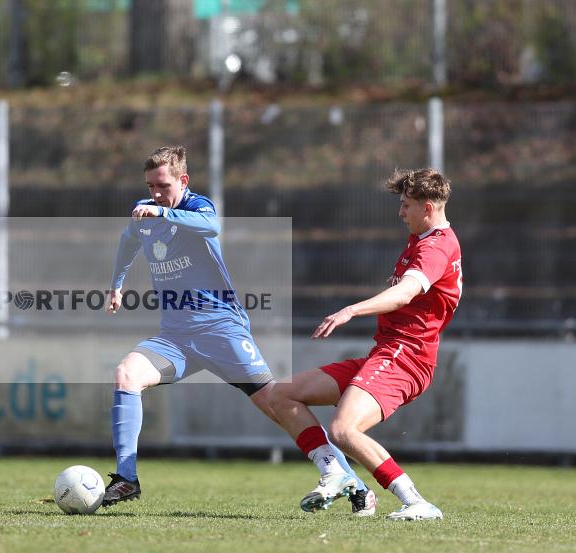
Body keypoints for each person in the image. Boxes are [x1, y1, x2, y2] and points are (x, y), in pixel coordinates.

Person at [104, 146, 374, 514]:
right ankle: (126, 478)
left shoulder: (197, 207)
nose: (156, 193)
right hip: (175, 338)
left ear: (183, 181)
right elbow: (128, 241)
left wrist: (163, 212)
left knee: (278, 405)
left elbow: (212, 227)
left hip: (222, 332)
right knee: (126, 375)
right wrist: (117, 284)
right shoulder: (144, 211)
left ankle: (354, 483)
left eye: (163, 185)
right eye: (150, 186)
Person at [263, 168, 461, 520]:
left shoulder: (435, 247)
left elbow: (404, 294)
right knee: (282, 395)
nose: (400, 212)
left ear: (427, 208)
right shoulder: (422, 239)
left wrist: (351, 310)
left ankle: (415, 501)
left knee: (343, 429)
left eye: (406, 205)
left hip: (405, 358)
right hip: (386, 354)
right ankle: (337, 474)